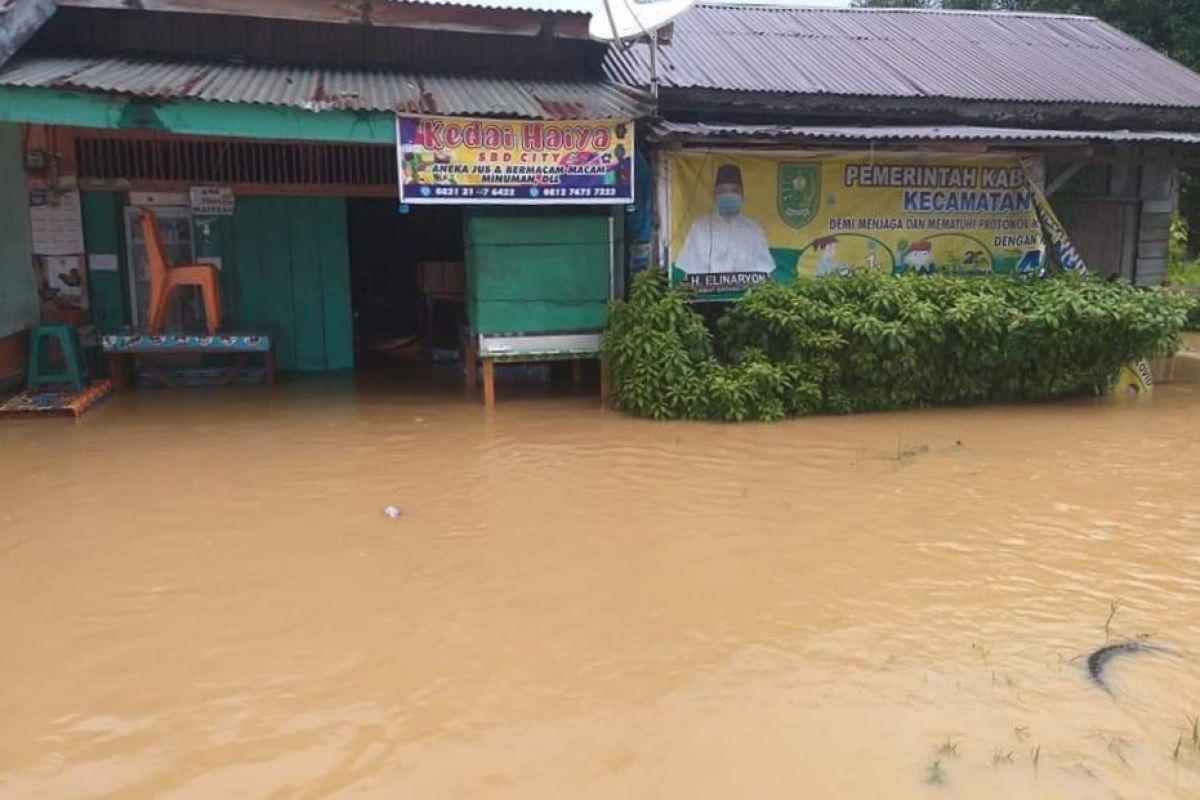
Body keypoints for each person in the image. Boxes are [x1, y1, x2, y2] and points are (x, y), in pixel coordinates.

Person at [676, 164, 776, 276]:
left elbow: (765, 271)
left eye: (734, 191)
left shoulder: (753, 229)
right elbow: (688, 270)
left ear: (742, 196)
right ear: (715, 196)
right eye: (723, 190)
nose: (729, 194)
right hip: (707, 292)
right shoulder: (699, 228)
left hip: (747, 292)